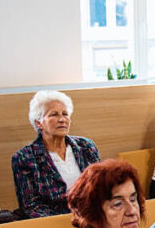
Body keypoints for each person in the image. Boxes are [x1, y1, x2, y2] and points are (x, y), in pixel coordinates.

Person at [13, 90, 100, 218]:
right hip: (55, 224)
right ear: (39, 122)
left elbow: (102, 187)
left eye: (65, 114)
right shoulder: (24, 157)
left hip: (94, 218)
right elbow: (31, 206)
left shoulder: (86, 146)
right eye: (54, 114)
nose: (62, 119)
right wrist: (71, 220)